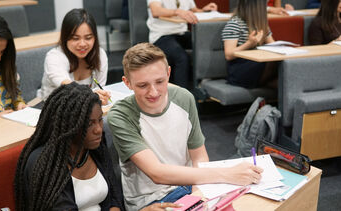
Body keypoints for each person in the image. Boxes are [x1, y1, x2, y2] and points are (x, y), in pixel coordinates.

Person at [107, 43, 263, 210]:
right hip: (152, 200)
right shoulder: (120, 115)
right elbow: (157, 173)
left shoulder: (184, 98)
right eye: (143, 85)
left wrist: (198, 194)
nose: (153, 92)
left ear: (168, 73)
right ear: (127, 83)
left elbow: (199, 157)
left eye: (159, 81)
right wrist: (228, 174)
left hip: (190, 184)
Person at [15, 83, 123, 210]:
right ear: (69, 125)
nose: (98, 130)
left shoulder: (95, 147)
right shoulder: (45, 163)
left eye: (99, 120)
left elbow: (115, 196)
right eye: (89, 124)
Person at [37, 8, 111, 104]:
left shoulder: (100, 55)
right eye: (75, 38)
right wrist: (93, 96)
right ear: (65, 38)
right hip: (52, 109)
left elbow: (100, 88)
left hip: (86, 110)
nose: (82, 44)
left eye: (88, 38)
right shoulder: (54, 56)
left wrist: (102, 97)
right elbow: (68, 87)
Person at [147, 0, 217, 89]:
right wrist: (177, 11)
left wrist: (204, 10)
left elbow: (193, 10)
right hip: (161, 35)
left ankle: (204, 86)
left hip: (182, 33)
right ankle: (181, 97)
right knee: (181, 57)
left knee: (206, 45)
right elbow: (156, 11)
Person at [222, 0, 277, 89]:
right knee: (272, 63)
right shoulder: (235, 24)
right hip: (240, 69)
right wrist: (249, 43)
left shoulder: (261, 24)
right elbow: (228, 55)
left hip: (258, 67)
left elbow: (273, 46)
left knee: (283, 74)